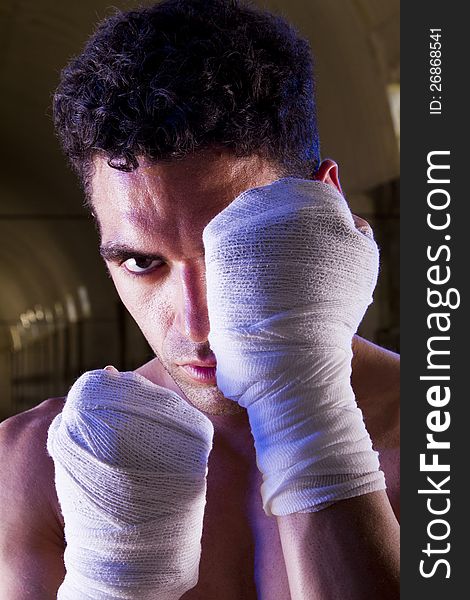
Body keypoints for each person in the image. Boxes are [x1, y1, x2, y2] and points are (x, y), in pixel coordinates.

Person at [0, 1, 400, 598]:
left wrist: (311, 423)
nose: (197, 320)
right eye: (143, 262)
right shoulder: (35, 467)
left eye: (231, 252)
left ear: (324, 207)